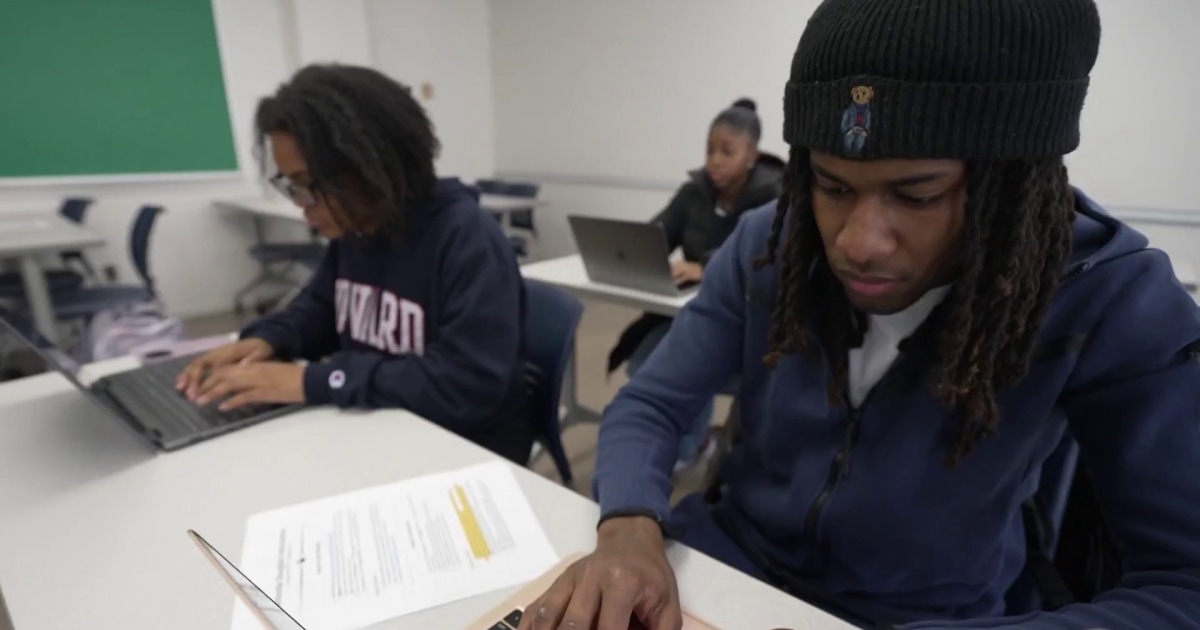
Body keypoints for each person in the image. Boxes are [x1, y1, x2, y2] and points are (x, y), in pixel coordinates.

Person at [520, 1, 1200, 629]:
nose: (857, 242)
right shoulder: (768, 245)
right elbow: (653, 404)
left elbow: (1184, 587)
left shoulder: (1111, 298)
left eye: (917, 193)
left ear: (1015, 182)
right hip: (730, 572)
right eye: (831, 184)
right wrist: (629, 531)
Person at [175, 65, 533, 465]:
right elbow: (320, 310)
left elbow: (468, 385)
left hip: (463, 449)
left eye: (307, 185)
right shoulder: (358, 228)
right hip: (380, 426)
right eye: (290, 186)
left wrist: (316, 380)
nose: (300, 205)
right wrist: (267, 341)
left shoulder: (467, 237)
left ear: (371, 166)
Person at [607, 98, 783, 472]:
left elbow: (766, 255)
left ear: (751, 155)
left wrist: (706, 267)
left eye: (727, 151)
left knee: (690, 369)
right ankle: (693, 439)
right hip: (685, 311)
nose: (715, 160)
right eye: (709, 150)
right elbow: (657, 234)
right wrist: (632, 252)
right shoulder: (695, 192)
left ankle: (690, 445)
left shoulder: (774, 196)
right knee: (643, 364)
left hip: (747, 324)